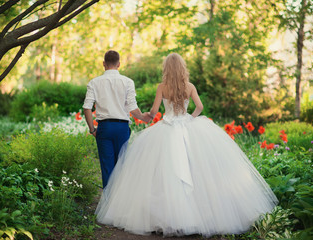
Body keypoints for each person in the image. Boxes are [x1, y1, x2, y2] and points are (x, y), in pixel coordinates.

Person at [95, 53, 278, 237]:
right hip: (185, 126)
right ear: (182, 68)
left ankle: (166, 215)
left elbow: (154, 110)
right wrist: (189, 119)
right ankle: (195, 214)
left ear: (166, 69)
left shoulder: (162, 87)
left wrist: (148, 116)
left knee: (164, 170)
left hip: (166, 128)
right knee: (194, 168)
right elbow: (200, 107)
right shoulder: (189, 87)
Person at [83, 50, 151, 188]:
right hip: (122, 128)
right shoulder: (128, 82)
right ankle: (121, 205)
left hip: (104, 128)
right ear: (119, 64)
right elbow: (133, 108)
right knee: (122, 167)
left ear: (104, 64)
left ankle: (108, 203)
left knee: (107, 168)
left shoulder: (94, 83)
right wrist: (143, 117)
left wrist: (92, 129)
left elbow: (87, 108)